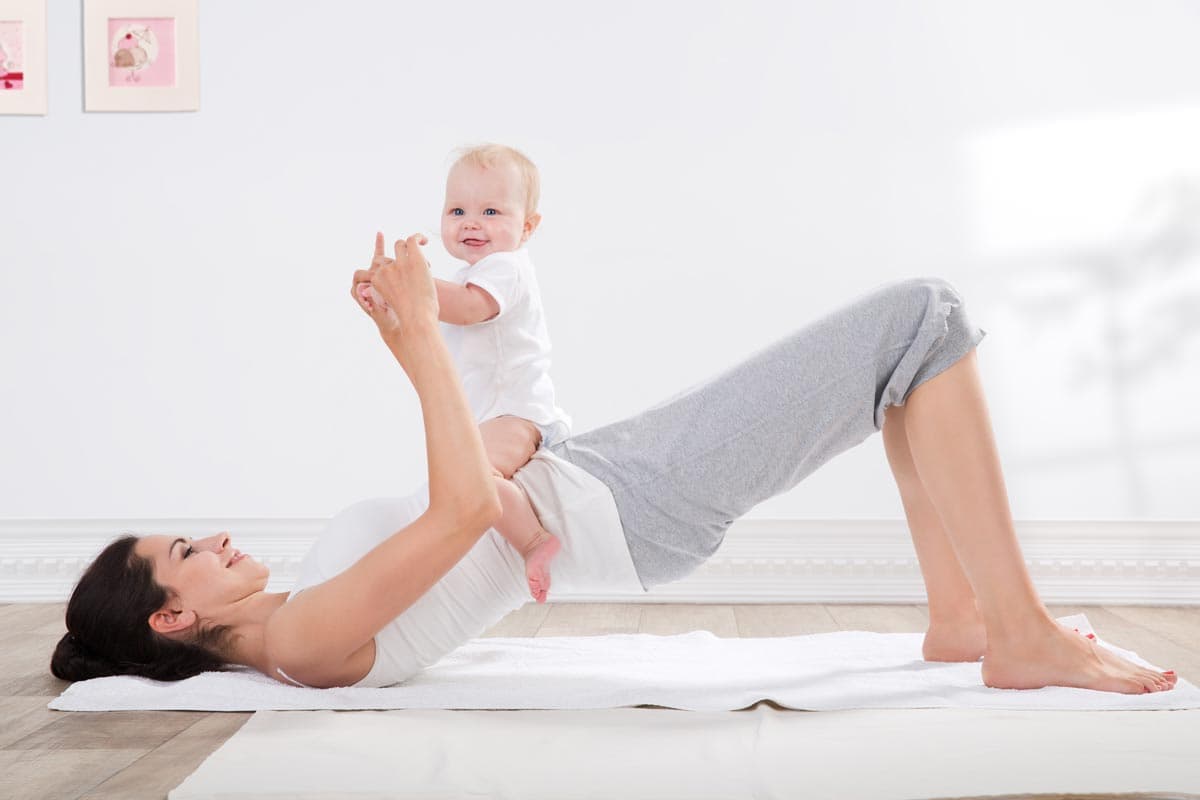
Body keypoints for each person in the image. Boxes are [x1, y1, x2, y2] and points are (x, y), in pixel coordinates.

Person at [51, 232, 1178, 695]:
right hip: (635, 504)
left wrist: (506, 438)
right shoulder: (296, 641)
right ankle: (1012, 632)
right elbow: (458, 508)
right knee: (921, 314)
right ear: (169, 618)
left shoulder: (305, 590)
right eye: (187, 553)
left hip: (600, 470)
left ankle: (966, 621)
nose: (215, 538)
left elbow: (486, 472)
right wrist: (414, 347)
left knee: (910, 354)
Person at [358, 144, 566, 603]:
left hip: (518, 412)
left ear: (527, 226)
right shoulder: (473, 273)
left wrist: (412, 283)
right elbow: (426, 323)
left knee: (474, 478)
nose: (471, 222)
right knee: (457, 482)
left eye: (491, 210)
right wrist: (386, 297)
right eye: (458, 210)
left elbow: (469, 307)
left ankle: (535, 542)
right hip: (488, 416)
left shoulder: (506, 269)